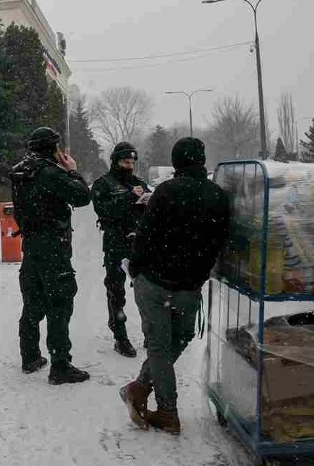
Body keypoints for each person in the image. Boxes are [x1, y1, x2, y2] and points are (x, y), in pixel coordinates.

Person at [120, 137, 230, 434]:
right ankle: (141, 389)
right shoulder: (219, 195)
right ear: (202, 160)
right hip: (189, 287)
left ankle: (166, 410)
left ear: (177, 161)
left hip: (156, 283)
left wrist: (137, 269)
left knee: (159, 348)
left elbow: (145, 235)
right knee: (175, 343)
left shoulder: (166, 192)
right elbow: (220, 240)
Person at [10, 127, 92, 385]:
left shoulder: (21, 170)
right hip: (53, 247)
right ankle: (60, 365)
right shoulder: (50, 172)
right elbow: (82, 196)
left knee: (33, 301)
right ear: (53, 148)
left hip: (31, 244)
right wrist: (73, 171)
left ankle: (30, 356)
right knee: (59, 302)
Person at [90, 142, 149, 358]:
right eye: (126, 162)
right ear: (115, 162)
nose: (130, 166)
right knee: (116, 291)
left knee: (145, 291)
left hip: (139, 243)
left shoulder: (140, 183)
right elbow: (104, 211)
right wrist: (128, 198)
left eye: (133, 162)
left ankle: (149, 333)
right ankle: (120, 335)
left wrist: (149, 200)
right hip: (116, 244)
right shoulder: (103, 184)